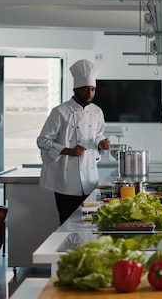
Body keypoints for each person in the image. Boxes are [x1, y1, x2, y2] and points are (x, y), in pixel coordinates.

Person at [37, 59, 111, 224]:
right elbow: (42, 140)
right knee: (68, 223)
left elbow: (97, 134)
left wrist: (101, 143)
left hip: (90, 179)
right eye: (86, 90)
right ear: (76, 89)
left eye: (93, 89)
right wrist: (67, 150)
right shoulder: (60, 112)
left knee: (91, 223)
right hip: (66, 182)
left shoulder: (97, 111)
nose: (90, 94)